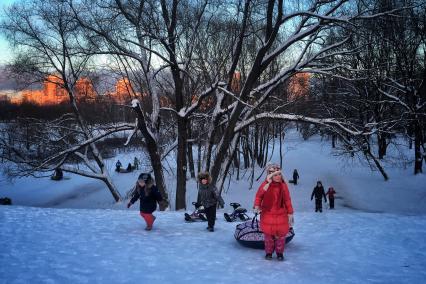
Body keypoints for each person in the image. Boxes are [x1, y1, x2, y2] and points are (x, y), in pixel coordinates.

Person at [254, 163, 294, 261]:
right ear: (270, 175)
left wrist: (290, 212)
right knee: (268, 237)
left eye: (279, 174)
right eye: (275, 175)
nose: (278, 176)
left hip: (281, 215)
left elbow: (287, 200)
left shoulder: (283, 186)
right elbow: (259, 196)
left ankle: (280, 253)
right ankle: (269, 252)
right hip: (268, 214)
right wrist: (256, 206)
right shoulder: (265, 185)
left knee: (281, 237)